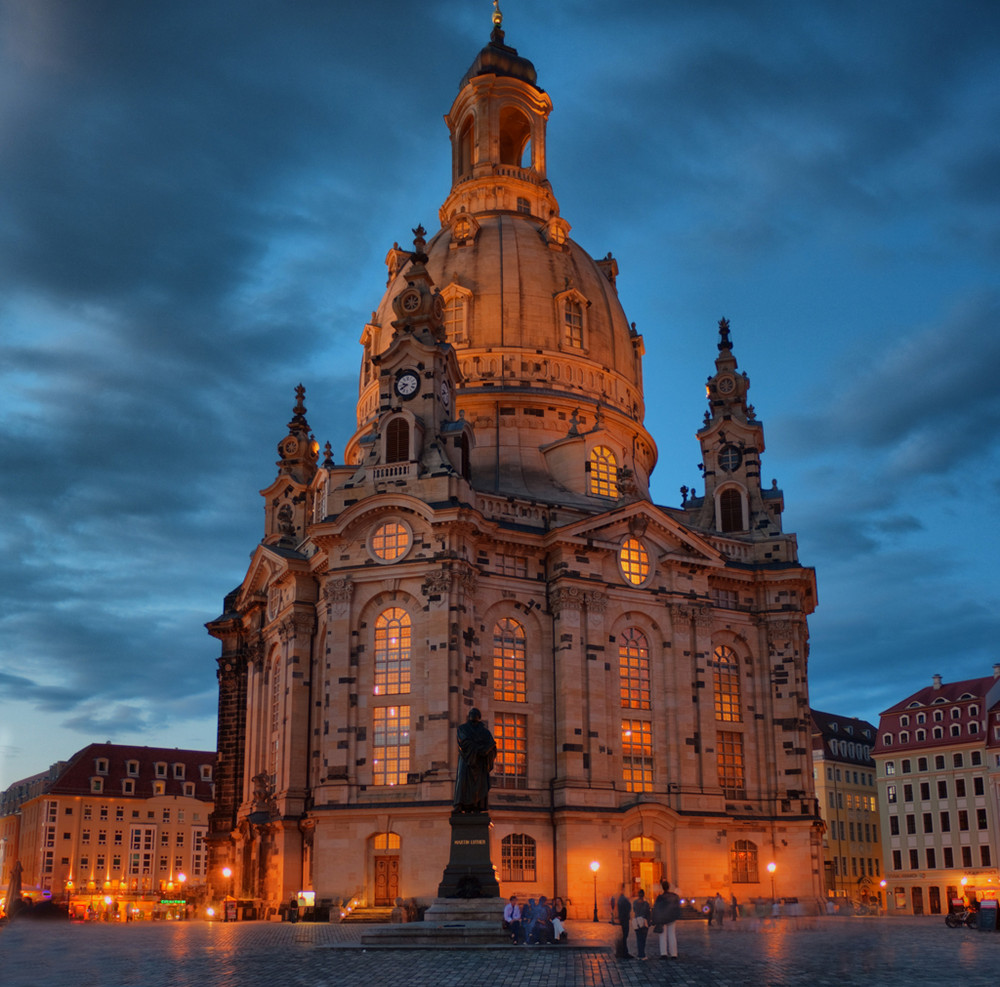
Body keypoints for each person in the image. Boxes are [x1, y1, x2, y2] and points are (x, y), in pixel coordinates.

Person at [453, 708, 497, 812]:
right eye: (471, 714)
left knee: (479, 786)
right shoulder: (463, 728)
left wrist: (487, 751)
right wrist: (480, 749)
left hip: (480, 763)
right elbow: (463, 742)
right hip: (466, 760)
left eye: (475, 714)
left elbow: (492, 745)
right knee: (462, 781)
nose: (473, 715)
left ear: (479, 717)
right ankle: (459, 805)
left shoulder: (485, 732)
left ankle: (477, 806)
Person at [651, 879, 681, 960]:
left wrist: (654, 920)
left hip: (662, 919)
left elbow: (656, 909)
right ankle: (674, 954)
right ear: (669, 887)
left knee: (662, 936)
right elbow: (677, 907)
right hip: (671, 918)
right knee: (672, 935)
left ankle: (663, 953)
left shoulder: (660, 898)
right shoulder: (675, 896)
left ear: (662, 888)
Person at [632, 888, 651, 959]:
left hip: (637, 922)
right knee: (643, 939)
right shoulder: (646, 903)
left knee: (638, 938)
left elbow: (634, 910)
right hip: (644, 922)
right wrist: (649, 922)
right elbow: (648, 913)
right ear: (644, 895)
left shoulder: (635, 903)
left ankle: (639, 953)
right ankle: (642, 954)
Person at [615, 885, 633, 959]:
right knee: (624, 936)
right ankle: (623, 952)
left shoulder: (620, 898)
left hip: (622, 918)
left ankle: (621, 952)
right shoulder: (623, 899)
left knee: (623, 936)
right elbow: (628, 907)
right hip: (624, 919)